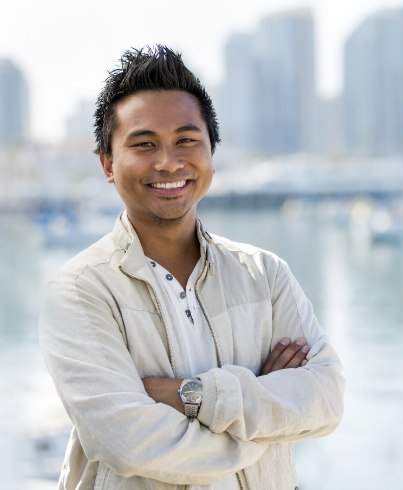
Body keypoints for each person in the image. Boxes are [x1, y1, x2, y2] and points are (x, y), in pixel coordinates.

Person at [39, 44, 344, 490]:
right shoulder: (78, 291)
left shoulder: (265, 274)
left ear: (211, 153)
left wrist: (190, 396)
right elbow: (128, 442)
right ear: (108, 164)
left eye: (186, 140)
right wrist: (263, 424)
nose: (168, 162)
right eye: (144, 144)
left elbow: (326, 401)